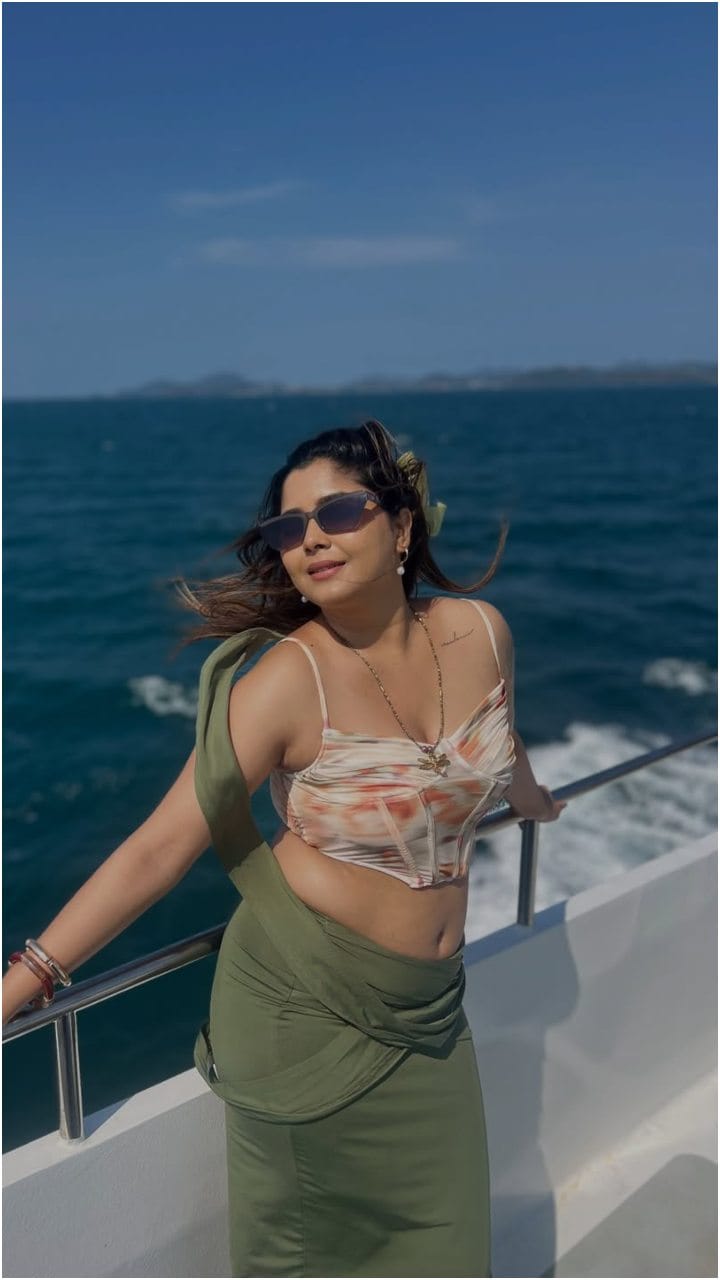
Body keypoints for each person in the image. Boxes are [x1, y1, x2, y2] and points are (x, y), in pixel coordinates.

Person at [3, 418, 566, 1277]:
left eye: (337, 512)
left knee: (450, 1251)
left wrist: (533, 802)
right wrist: (24, 983)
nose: (311, 539)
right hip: (302, 1011)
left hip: (430, 1010)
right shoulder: (284, 683)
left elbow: (496, 736)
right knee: (307, 1261)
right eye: (288, 527)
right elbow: (159, 848)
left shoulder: (482, 631)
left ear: (402, 526)